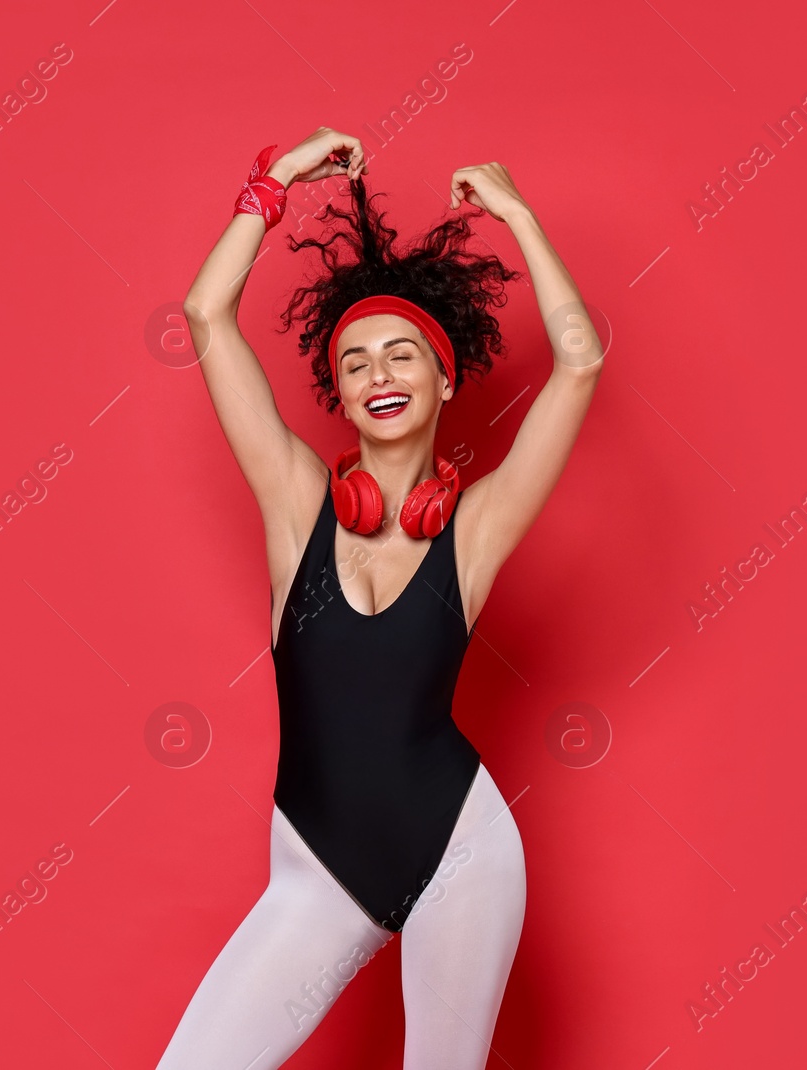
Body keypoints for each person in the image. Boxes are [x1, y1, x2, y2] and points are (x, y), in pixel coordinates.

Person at [158, 126, 602, 1069]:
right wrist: (272, 182)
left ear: (444, 378)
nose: (378, 377)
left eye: (402, 357)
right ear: (341, 398)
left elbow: (580, 363)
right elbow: (205, 315)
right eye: (355, 365)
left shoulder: (475, 531)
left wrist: (518, 214)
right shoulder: (295, 507)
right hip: (318, 867)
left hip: (463, 852)